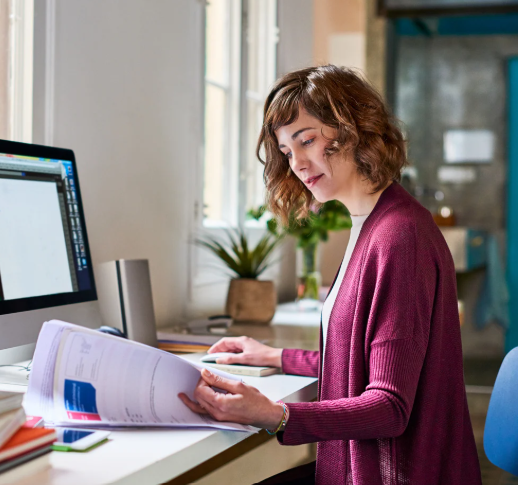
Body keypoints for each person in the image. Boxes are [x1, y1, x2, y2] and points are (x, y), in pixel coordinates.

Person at [179, 65, 482, 485]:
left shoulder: (400, 237)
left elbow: (389, 406)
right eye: (287, 151)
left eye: (307, 140)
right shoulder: (372, 222)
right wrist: (275, 357)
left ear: (354, 129)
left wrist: (274, 414)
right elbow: (368, 360)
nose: (298, 163)